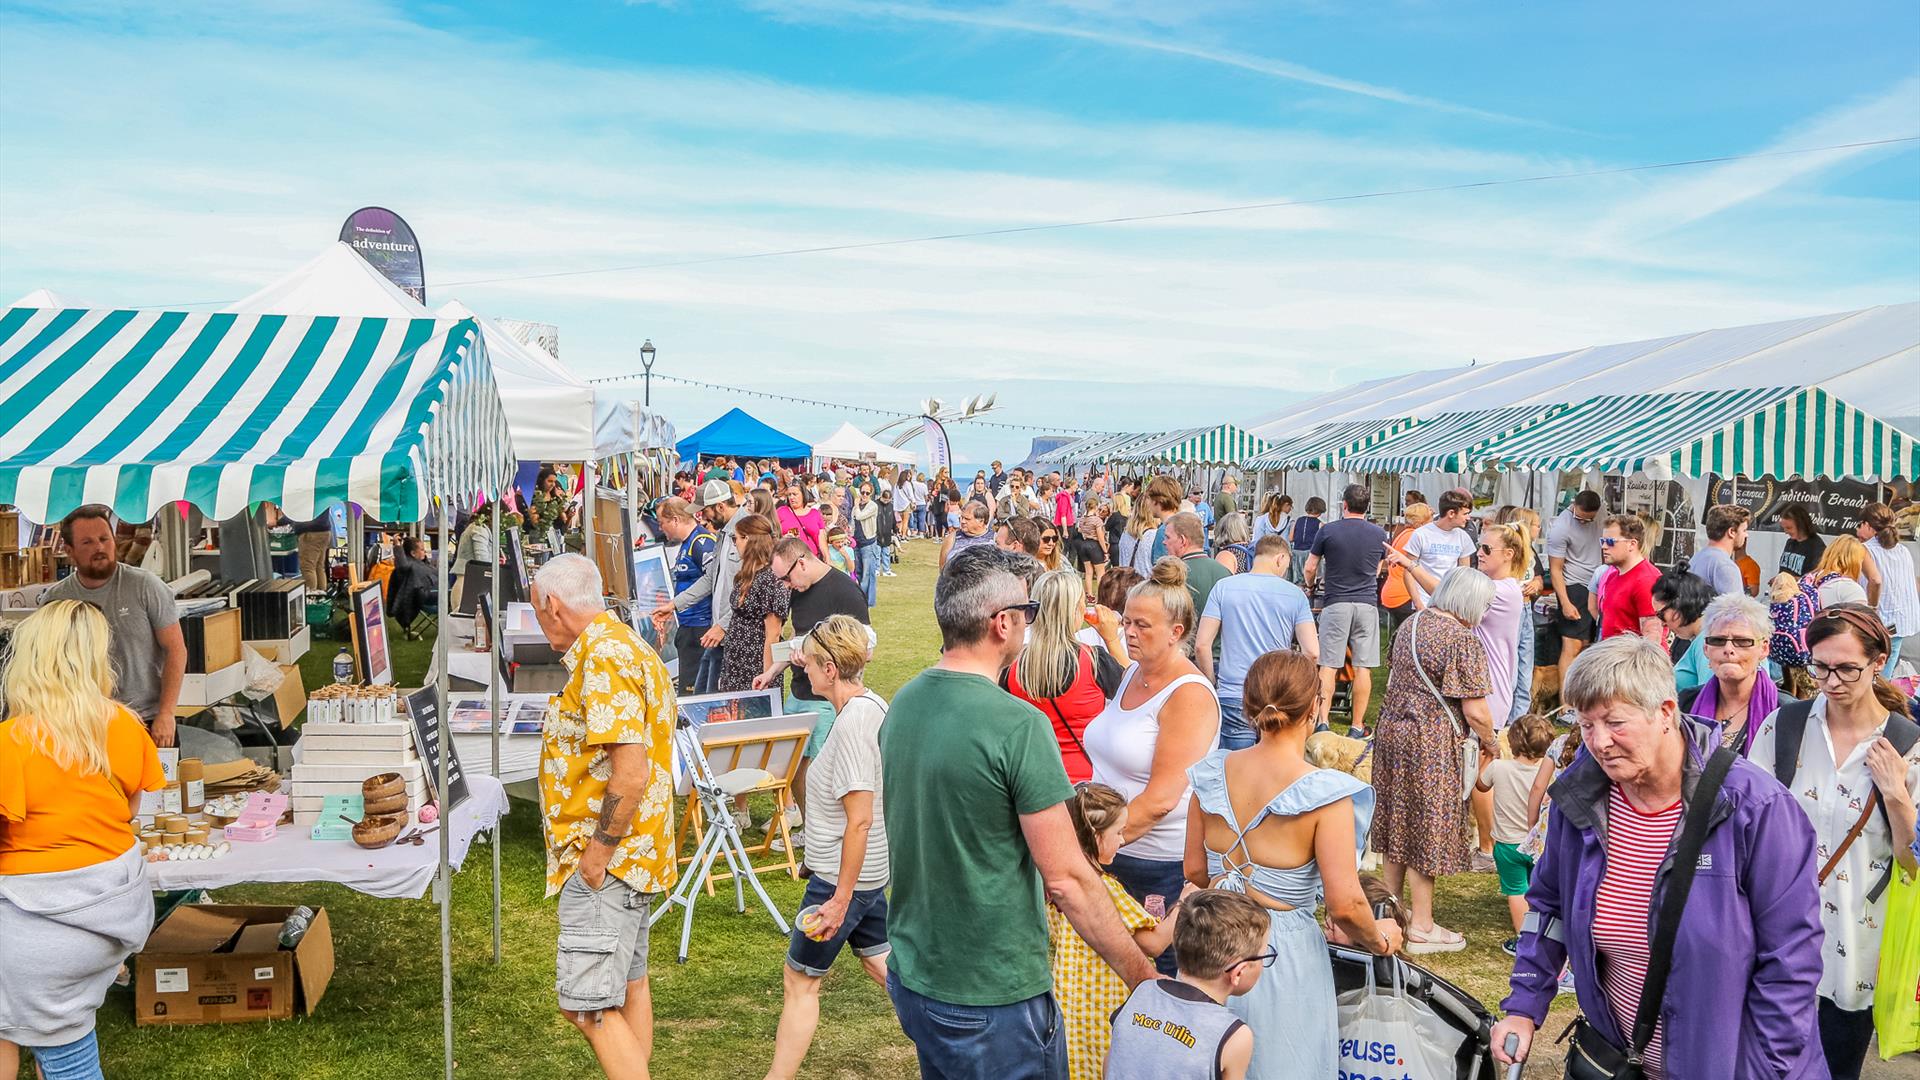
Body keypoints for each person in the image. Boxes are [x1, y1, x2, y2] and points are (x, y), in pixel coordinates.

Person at [1493, 634, 1826, 1080]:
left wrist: (1762, 1071)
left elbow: (1791, 964)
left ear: (1665, 712)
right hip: (1621, 1060)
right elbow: (1548, 909)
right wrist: (1524, 1004)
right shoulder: (1581, 797)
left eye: (1615, 722)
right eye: (1585, 724)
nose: (1599, 741)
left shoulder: (1755, 808)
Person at [880, 546, 1156, 1076]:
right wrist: (1144, 978)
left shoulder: (906, 701)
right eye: (1027, 613)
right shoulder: (1016, 725)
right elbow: (1068, 878)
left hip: (919, 971)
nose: (1030, 623)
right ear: (1002, 623)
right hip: (993, 989)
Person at [1183, 651, 1401, 1079]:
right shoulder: (1326, 794)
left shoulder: (1211, 774)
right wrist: (1381, 940)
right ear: (1315, 706)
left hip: (1208, 944)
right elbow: (1344, 905)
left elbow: (1194, 869)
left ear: (1249, 707)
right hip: (1279, 955)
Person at [1748, 605, 1919, 1080]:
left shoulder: (1907, 746)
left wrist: (1896, 794)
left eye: (1847, 668)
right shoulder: (1784, 727)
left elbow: (1911, 862)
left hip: (1855, 952)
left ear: (1879, 660)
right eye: (1820, 666)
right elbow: (1747, 827)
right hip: (1773, 941)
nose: (1831, 680)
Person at [0, 601, 166, 1080]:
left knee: (65, 1059)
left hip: (38, 922)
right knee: (38, 1030)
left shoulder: (12, 742)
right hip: (109, 912)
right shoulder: (124, 725)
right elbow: (131, 808)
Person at [531, 554, 678, 1080]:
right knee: (627, 985)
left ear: (552, 604)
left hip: (611, 860)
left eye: (536, 610)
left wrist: (596, 855)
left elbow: (630, 772)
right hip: (638, 854)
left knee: (587, 1006)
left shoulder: (603, 657)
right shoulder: (628, 644)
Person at [763, 616, 891, 1080]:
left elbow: (859, 818)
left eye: (811, 662)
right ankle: (953, 1042)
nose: (804, 669)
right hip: (866, 876)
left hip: (844, 879)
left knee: (799, 979)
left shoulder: (855, 723)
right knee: (882, 965)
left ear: (831, 668)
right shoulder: (869, 706)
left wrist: (839, 899)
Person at [1085, 558, 1222, 976]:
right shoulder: (1134, 674)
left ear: (1176, 633)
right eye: (1126, 620)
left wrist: (1089, 848)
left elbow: (1162, 798)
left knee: (1152, 981)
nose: (1127, 631)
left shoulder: (1189, 696)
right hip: (1115, 852)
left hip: (1155, 866)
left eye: (1142, 625)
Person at [1372, 568, 1498, 954]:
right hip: (1431, 742)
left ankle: (1388, 913)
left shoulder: (1411, 623)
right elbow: (1476, 710)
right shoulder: (1461, 639)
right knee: (1427, 830)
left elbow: (1394, 677)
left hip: (1393, 734)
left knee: (1396, 823)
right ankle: (1422, 926)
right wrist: (1491, 741)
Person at [1050, 782, 1185, 1080]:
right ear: (1097, 837)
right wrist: (1185, 902)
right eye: (1118, 833)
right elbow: (1154, 943)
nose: (1123, 841)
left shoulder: (1058, 880)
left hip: (1070, 1000)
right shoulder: (1105, 889)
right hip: (1104, 1006)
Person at [45, 505, 186, 748]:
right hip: (87, 727)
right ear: (69, 551)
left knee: (163, 787)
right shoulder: (57, 599)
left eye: (104, 539)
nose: (99, 548)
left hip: (148, 721)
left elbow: (176, 649)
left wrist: (167, 713)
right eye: (87, 542)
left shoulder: (145, 586)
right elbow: (50, 664)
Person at [757, 538, 871, 838]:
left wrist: (820, 658)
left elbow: (865, 648)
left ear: (803, 562)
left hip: (827, 698)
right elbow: (799, 637)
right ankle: (811, 829)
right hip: (798, 691)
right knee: (794, 766)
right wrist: (771, 671)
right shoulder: (799, 590)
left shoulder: (845, 591)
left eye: (786, 578)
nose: (785, 585)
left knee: (824, 771)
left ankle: (831, 833)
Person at [1104, 890, 1265, 1080]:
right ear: (1238, 972)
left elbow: (1110, 1065)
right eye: (1264, 956)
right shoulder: (1235, 1036)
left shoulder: (1143, 991)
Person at [1002, 570, 1126, 783]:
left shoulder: (1012, 664)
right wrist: (1112, 639)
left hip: (1031, 779)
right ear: (1076, 609)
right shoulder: (1093, 660)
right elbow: (1137, 691)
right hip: (1086, 779)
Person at [1194, 536, 1317, 750]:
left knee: (1234, 769)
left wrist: (1212, 682)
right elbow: (1312, 652)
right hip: (1277, 693)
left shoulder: (1224, 588)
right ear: (1280, 558)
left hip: (1233, 692)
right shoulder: (1295, 595)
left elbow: (1202, 645)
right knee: (1274, 771)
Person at [1304, 484, 1388, 733]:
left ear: (1344, 505)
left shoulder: (1328, 530)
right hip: (1366, 603)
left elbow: (1310, 567)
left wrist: (1310, 585)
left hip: (1336, 601)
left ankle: (1322, 721)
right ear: (1367, 506)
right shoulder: (1380, 534)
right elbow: (1377, 570)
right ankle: (1356, 724)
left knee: (1328, 664)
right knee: (1364, 666)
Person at [1475, 712, 1553, 953]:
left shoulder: (1499, 768)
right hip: (1540, 843)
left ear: (1513, 742)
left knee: (1516, 891)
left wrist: (1486, 759)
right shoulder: (1548, 773)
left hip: (1507, 844)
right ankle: (1545, 935)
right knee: (1538, 888)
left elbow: (1480, 785)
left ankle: (1524, 939)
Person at [656, 480, 743, 672]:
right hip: (717, 630)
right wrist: (674, 605)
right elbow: (710, 578)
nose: (703, 518)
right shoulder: (723, 534)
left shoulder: (745, 532)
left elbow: (750, 588)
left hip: (731, 632)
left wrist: (724, 625)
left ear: (720, 506)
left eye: (705, 511)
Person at [718, 515, 788, 693]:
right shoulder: (746, 575)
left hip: (756, 663)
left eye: (736, 538)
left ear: (748, 539)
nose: (735, 544)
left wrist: (767, 676)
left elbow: (773, 634)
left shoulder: (771, 578)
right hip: (736, 662)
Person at [656, 497, 718, 695]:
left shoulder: (702, 542)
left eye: (661, 523)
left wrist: (675, 605)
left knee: (692, 693)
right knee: (687, 689)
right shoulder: (687, 543)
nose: (660, 529)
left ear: (675, 520)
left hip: (701, 628)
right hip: (688, 627)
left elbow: (713, 581)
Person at [1546, 490, 1605, 683]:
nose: (1584, 522)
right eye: (1580, 518)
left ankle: (1580, 696)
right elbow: (1555, 569)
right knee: (1572, 646)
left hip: (1597, 582)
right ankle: (1566, 706)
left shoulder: (1603, 514)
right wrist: (1565, 602)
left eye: (1589, 519)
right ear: (1573, 507)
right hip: (1574, 585)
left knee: (1588, 645)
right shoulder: (1560, 528)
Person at [1858, 502, 1919, 679]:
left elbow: (1875, 580)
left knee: (1868, 674)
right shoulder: (1903, 551)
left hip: (1876, 621)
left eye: (1860, 525)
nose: (1857, 531)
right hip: (1900, 622)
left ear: (1868, 526)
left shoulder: (1865, 550)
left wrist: (1872, 607)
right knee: (1884, 675)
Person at [1401, 489, 1473, 609]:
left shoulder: (1463, 537)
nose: (1468, 518)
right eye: (1465, 514)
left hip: (1449, 603)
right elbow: (1408, 571)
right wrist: (1418, 603)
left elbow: (1464, 574)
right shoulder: (1421, 534)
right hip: (1425, 602)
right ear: (1451, 514)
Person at [1598, 513, 1662, 642]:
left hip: (1634, 660)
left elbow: (1652, 637)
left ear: (1632, 544)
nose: (1604, 546)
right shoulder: (1612, 576)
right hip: (1612, 657)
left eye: (1610, 542)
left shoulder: (1647, 580)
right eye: (1602, 541)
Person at [1652, 567, 1714, 689]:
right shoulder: (1705, 637)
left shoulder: (1708, 641)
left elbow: (1709, 695)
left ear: (1679, 606)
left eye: (1660, 615)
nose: (1662, 623)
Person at [1378, 501, 1432, 631]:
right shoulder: (1415, 536)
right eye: (1430, 518)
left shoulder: (1403, 533)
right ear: (1421, 522)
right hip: (1404, 595)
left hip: (1392, 592)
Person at [1161, 512, 1226, 617]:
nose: (1164, 542)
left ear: (1182, 540)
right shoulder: (1224, 572)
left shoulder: (1173, 574)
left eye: (1168, 537)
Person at [1691, 503, 1750, 598]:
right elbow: (1735, 610)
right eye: (1744, 530)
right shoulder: (1724, 565)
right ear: (1731, 532)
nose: (1746, 535)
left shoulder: (1697, 557)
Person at [939, 500, 995, 568]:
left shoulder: (995, 539)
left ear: (981, 521)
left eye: (967, 519)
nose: (962, 521)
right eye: (962, 517)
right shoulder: (952, 538)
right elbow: (942, 567)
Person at [1779, 504, 1828, 577]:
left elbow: (1815, 578)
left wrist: (1788, 580)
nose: (1785, 532)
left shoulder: (1816, 547)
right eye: (1784, 528)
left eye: (1789, 528)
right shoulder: (1790, 542)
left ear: (1801, 525)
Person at [776, 485, 825, 558]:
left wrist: (827, 558)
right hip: (789, 557)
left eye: (795, 494)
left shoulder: (814, 513)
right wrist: (783, 538)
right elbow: (773, 534)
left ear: (803, 495)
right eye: (789, 495)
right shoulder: (781, 511)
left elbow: (822, 540)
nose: (791, 497)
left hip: (812, 558)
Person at [293, 510, 333, 592]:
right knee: (319, 567)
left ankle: (311, 598)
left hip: (310, 532)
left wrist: (279, 521)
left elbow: (294, 511)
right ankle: (321, 597)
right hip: (324, 530)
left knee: (308, 567)